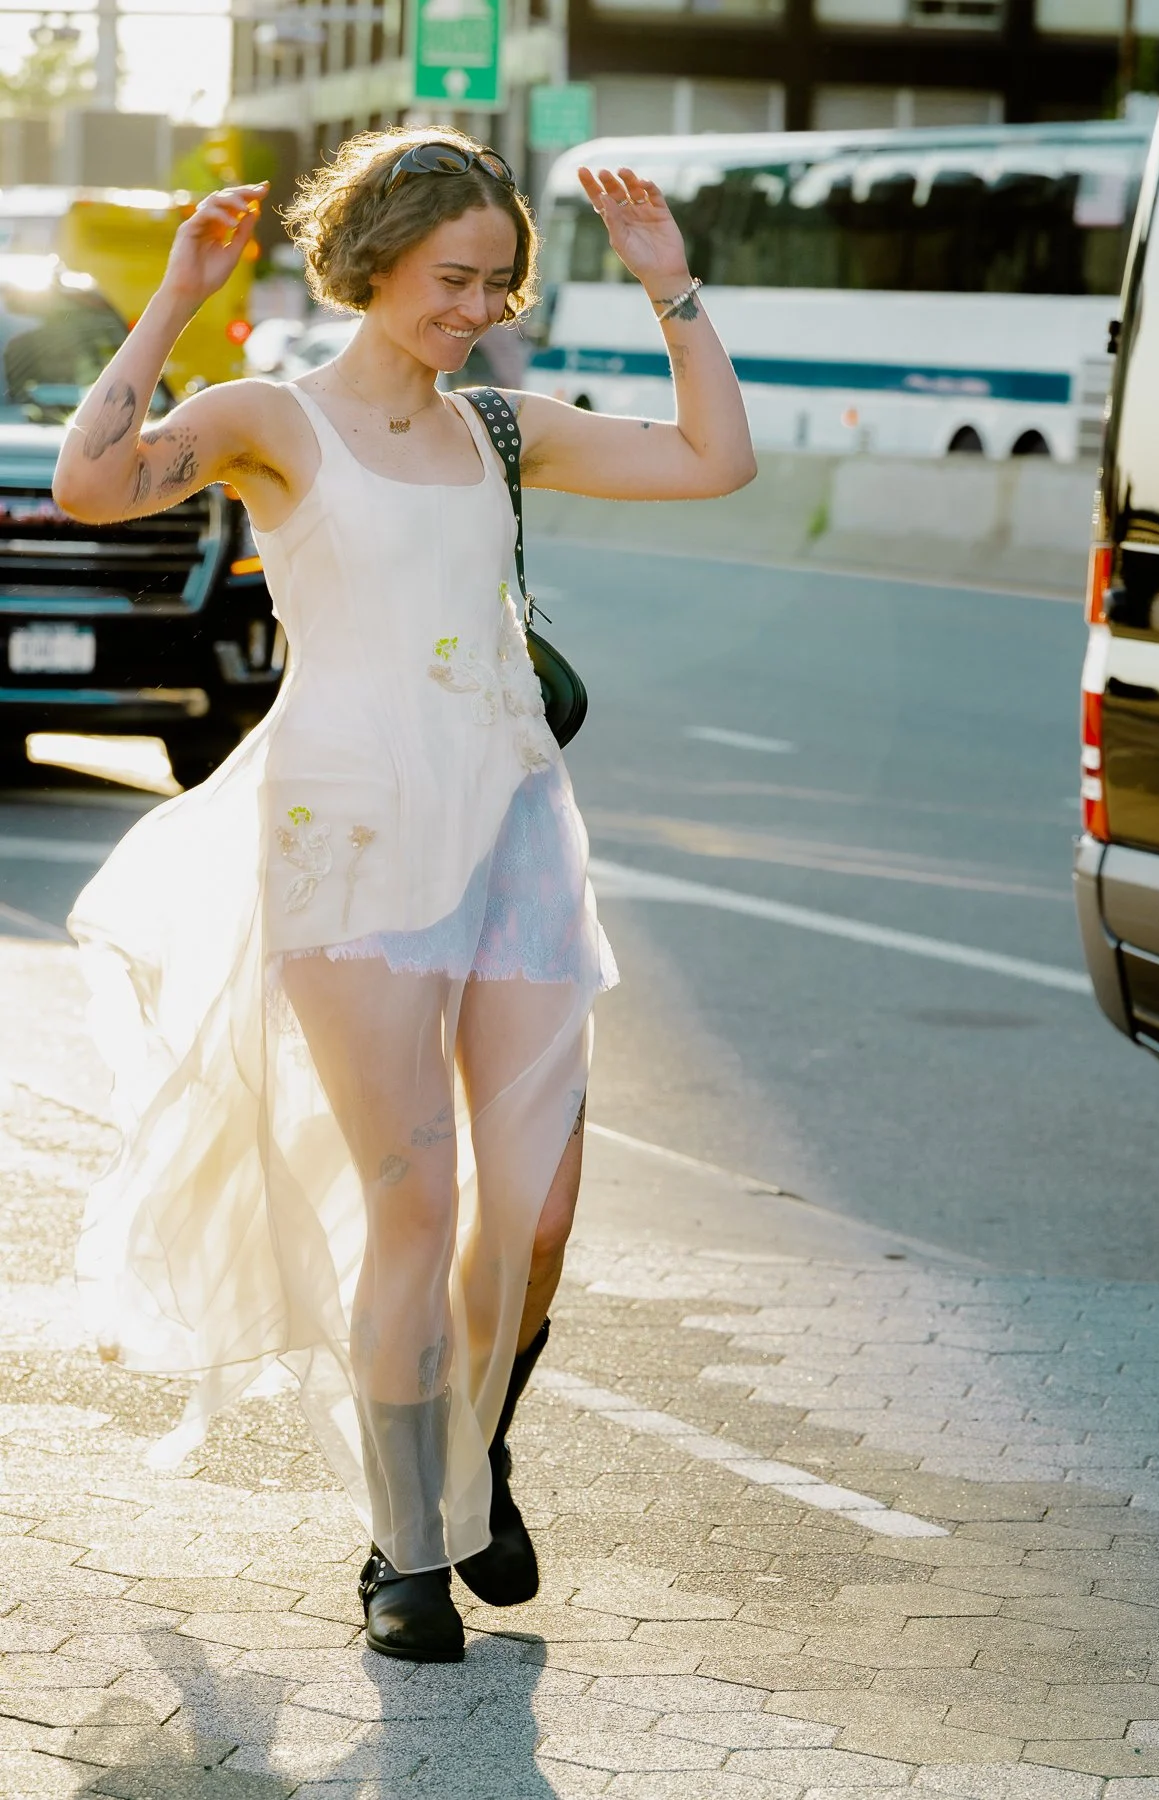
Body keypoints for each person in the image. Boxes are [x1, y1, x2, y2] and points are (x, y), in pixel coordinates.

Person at [54, 128, 755, 1663]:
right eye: (454, 277)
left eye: (499, 283)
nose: (478, 309)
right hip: (352, 839)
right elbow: (92, 484)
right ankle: (404, 1547)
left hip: (516, 830)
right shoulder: (274, 420)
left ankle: (474, 1449)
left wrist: (671, 286)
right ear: (372, 264)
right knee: (417, 1200)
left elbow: (717, 461)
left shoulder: (501, 427)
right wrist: (175, 301)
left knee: (541, 1210)